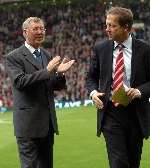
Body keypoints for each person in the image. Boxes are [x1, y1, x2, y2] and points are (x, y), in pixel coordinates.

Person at [5, 17, 75, 168]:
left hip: (47, 124)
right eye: (35, 29)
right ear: (25, 32)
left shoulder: (46, 55)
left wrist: (60, 74)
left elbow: (53, 85)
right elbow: (20, 82)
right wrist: (48, 70)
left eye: (42, 29)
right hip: (28, 126)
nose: (40, 32)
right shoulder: (13, 57)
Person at [86, 7, 150, 168]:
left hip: (136, 114)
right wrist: (93, 93)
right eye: (106, 25)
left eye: (112, 25)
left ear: (126, 27)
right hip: (110, 114)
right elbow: (90, 77)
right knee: (118, 163)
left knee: (133, 162)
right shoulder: (100, 49)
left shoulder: (145, 50)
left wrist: (139, 91)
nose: (107, 29)